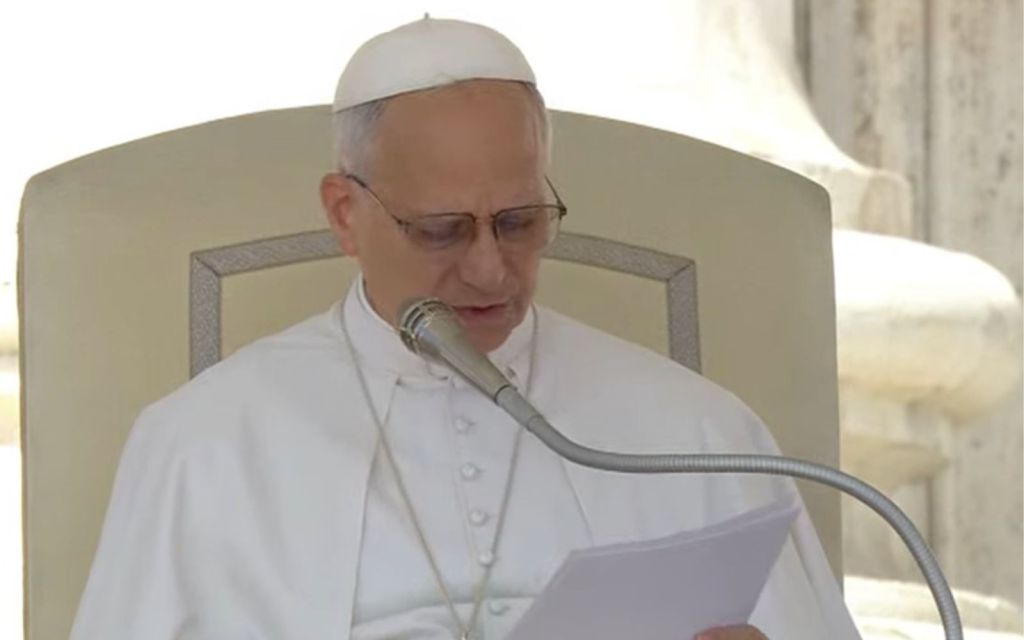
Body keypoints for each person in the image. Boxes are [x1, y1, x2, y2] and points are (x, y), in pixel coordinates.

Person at [69, 17, 861, 640]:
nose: (489, 271)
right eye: (441, 230)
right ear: (344, 214)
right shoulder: (203, 444)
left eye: (519, 222)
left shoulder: (698, 432)